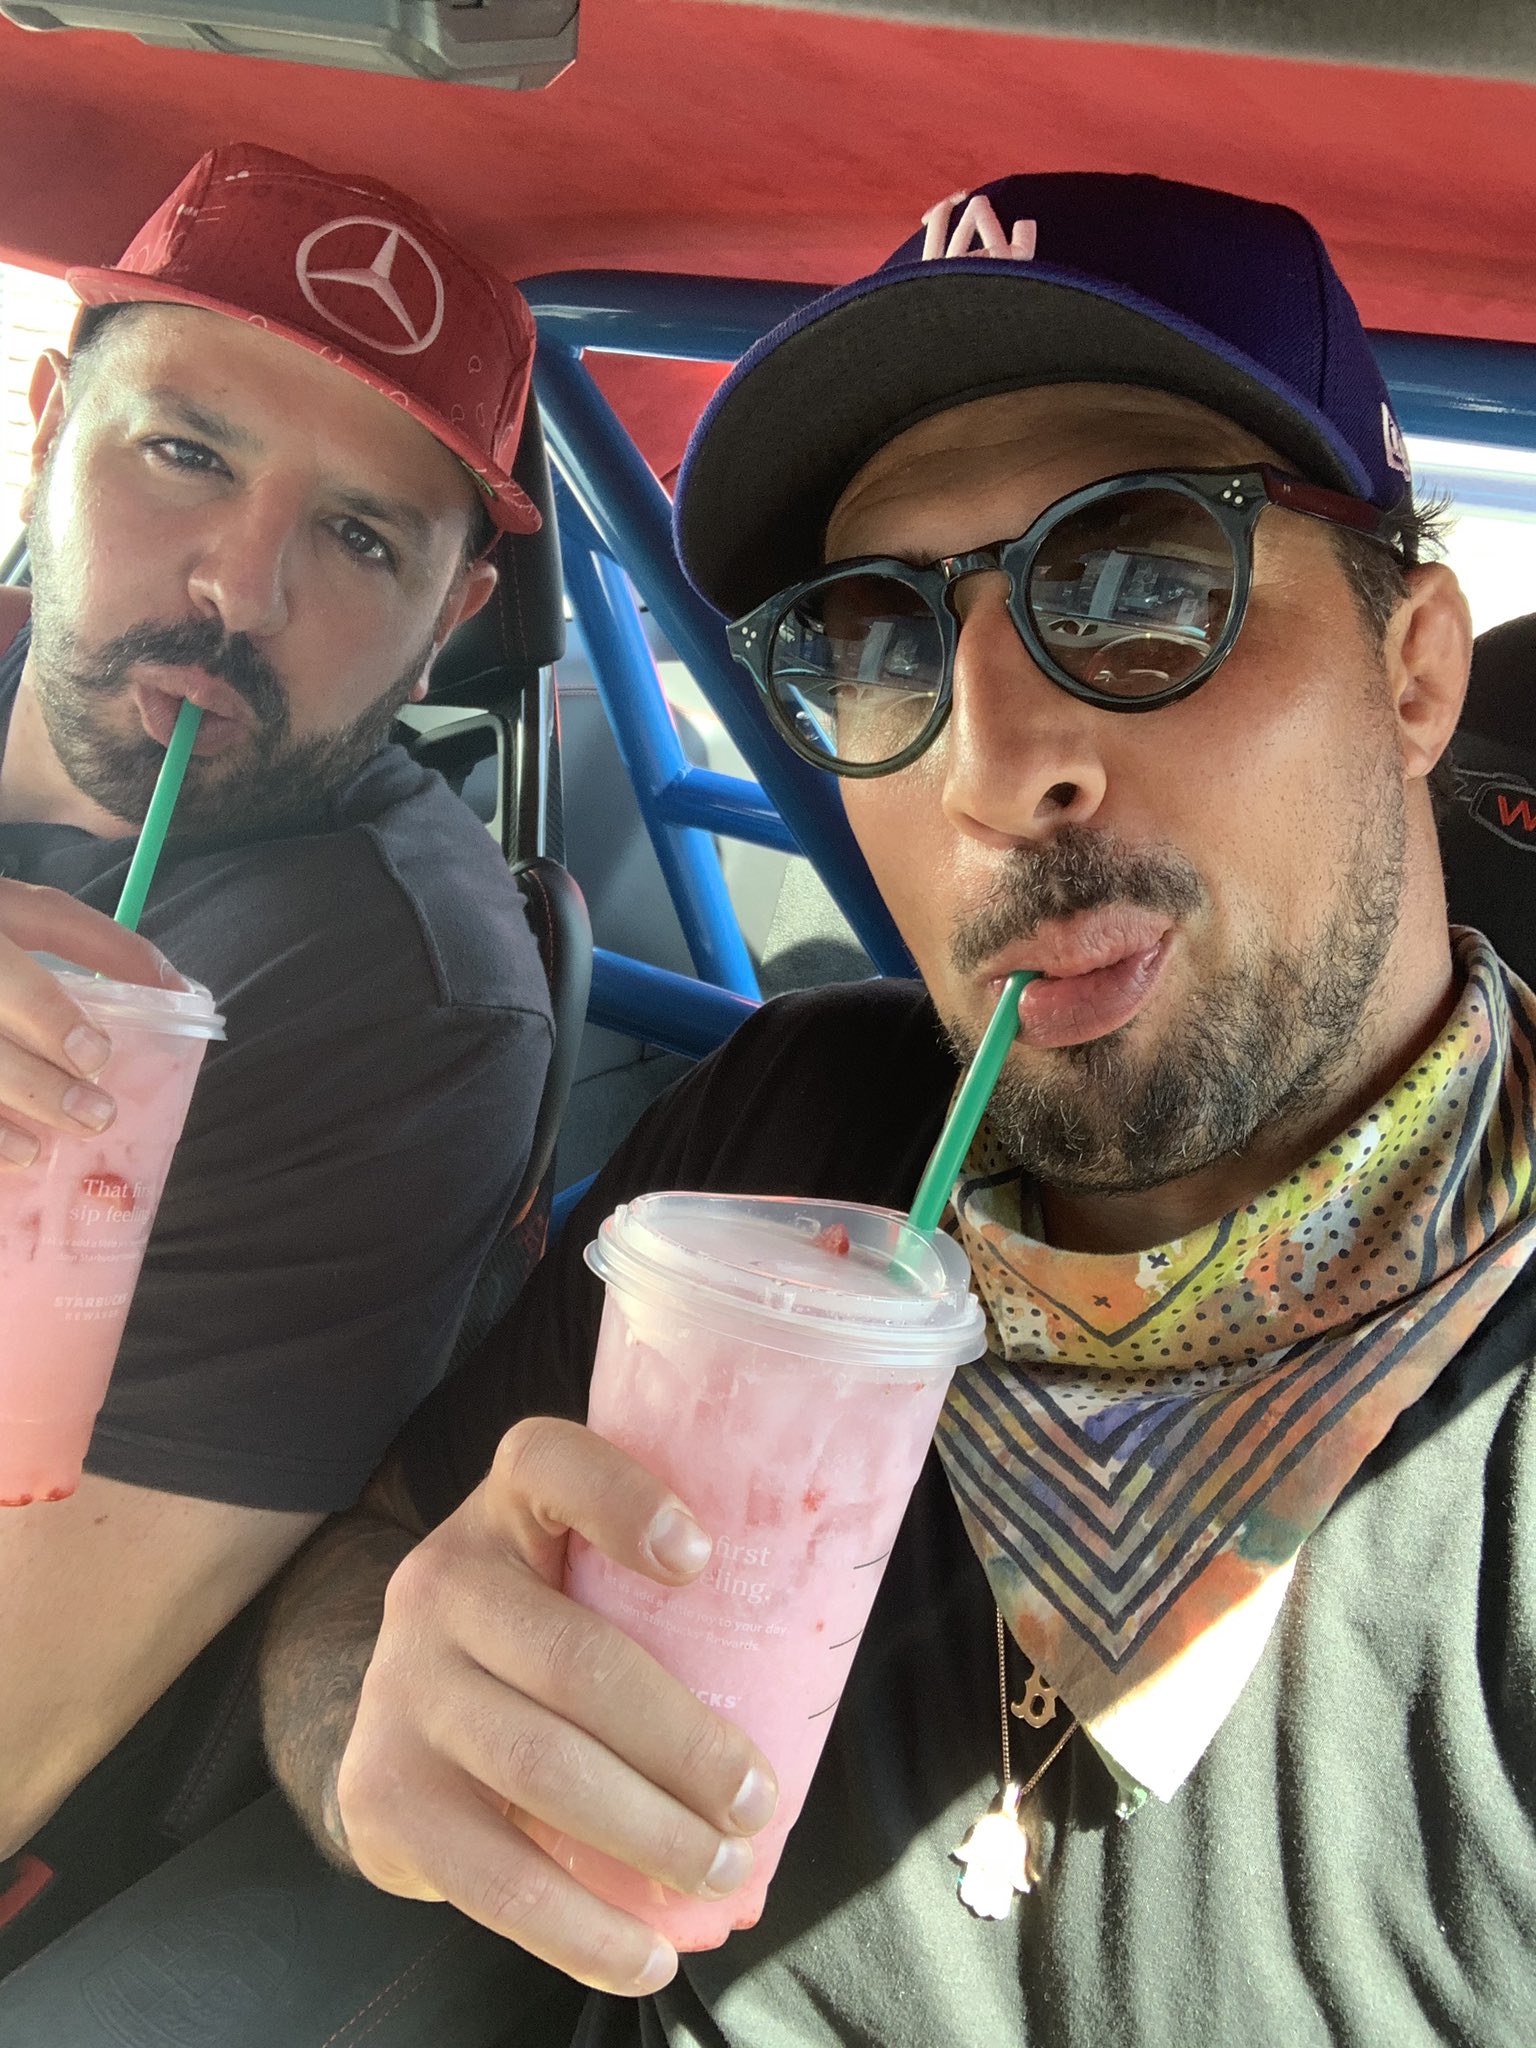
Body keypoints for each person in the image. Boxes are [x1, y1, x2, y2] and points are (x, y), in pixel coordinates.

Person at [256, 173, 1534, 2046]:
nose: (994, 772)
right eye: (877, 640)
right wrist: (387, 1729)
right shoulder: (797, 1125)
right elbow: (370, 1562)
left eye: (1143, 586)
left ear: (1413, 672)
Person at [0, 143, 554, 1867]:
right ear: (46, 427)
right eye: (185, 453)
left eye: (360, 536)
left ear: (451, 618)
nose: (239, 590)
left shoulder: (389, 1002)